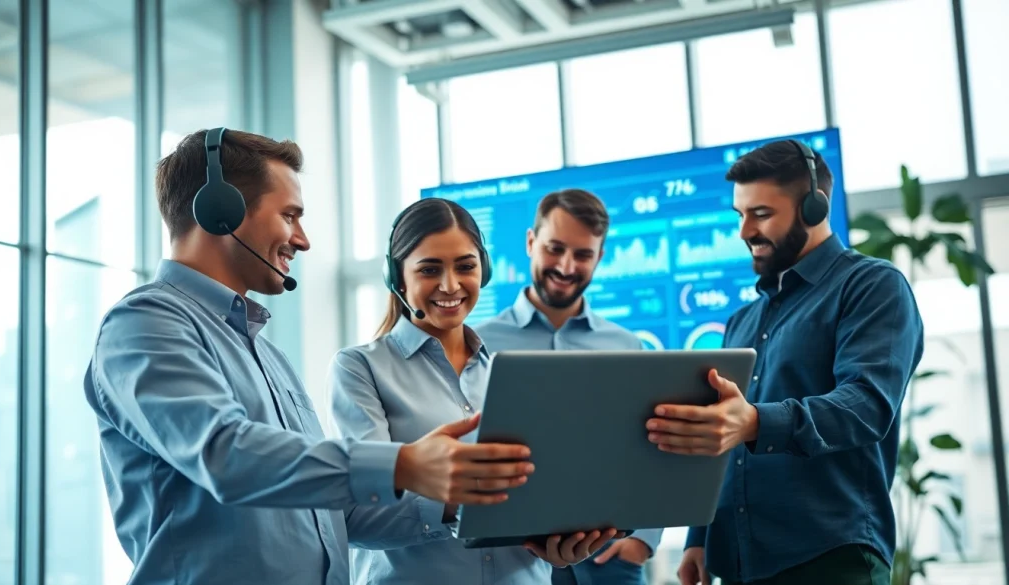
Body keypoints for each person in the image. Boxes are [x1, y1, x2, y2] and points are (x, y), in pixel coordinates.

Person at [82, 128, 535, 585]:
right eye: (289, 216)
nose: (302, 240)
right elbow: (224, 453)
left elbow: (344, 517)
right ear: (222, 212)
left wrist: (462, 501)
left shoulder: (268, 356)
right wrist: (404, 465)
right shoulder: (144, 322)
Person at [646, 140, 924, 585]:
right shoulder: (741, 321)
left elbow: (867, 404)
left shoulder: (871, 286)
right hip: (737, 562)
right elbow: (723, 437)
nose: (744, 231)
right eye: (740, 215)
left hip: (831, 558)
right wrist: (700, 535)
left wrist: (756, 422)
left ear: (815, 208)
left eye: (761, 214)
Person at [330, 197, 619, 585]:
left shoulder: (513, 373)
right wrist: (459, 501)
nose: (450, 285)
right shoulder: (360, 368)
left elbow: (542, 494)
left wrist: (557, 545)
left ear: (483, 271)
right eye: (430, 269)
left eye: (465, 266)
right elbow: (355, 517)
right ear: (397, 277)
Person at [473, 188, 664, 585]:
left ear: (600, 257)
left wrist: (643, 540)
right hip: (513, 556)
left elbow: (650, 450)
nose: (566, 266)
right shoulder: (478, 343)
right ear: (530, 242)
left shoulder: (625, 346)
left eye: (582, 254)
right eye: (555, 248)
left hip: (609, 559)